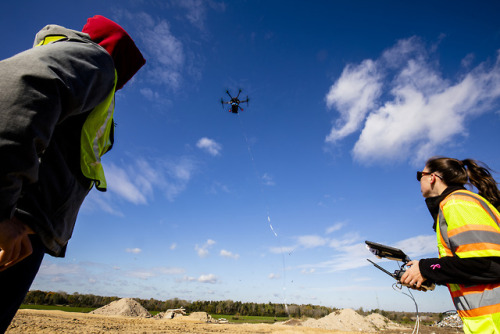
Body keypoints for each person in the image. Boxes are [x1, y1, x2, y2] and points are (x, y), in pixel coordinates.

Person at [0, 15, 145, 332]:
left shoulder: (94, 79)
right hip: (13, 225)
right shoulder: (95, 59)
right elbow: (16, 85)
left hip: (24, 228)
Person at [401, 157, 500, 333]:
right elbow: (468, 268)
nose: (419, 181)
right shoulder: (457, 203)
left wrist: (426, 268)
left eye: (420, 175)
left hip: (493, 322)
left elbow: (489, 265)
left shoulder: (457, 203)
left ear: (432, 177)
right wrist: (430, 276)